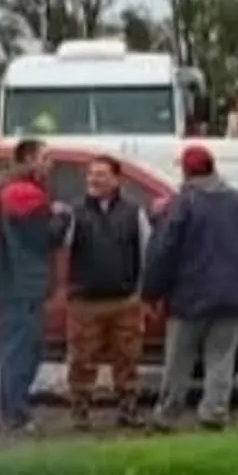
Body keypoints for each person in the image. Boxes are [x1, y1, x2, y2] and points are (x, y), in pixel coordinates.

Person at [142, 144, 238, 432]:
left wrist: (151, 292)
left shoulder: (184, 203)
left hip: (190, 295)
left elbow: (164, 249)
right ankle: (214, 412)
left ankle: (168, 414)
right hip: (234, 294)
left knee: (179, 359)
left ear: (185, 171)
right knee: (222, 358)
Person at [64, 156, 151, 428]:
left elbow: (146, 251)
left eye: (101, 174)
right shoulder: (74, 211)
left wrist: (142, 294)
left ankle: (128, 410)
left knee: (127, 358)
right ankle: (80, 411)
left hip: (124, 300)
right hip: (84, 301)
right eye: (90, 174)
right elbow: (63, 246)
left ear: (116, 180)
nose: (94, 179)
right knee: (81, 359)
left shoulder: (134, 212)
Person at [0, 138, 71, 433]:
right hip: (21, 284)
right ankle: (15, 412)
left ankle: (14, 408)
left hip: (18, 283)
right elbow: (43, 238)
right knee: (22, 349)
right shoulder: (23, 195)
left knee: (23, 347)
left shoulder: (14, 190)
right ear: (28, 159)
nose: (50, 163)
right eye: (45, 157)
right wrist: (61, 217)